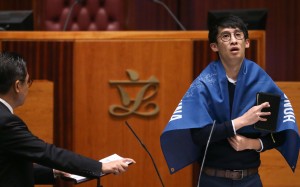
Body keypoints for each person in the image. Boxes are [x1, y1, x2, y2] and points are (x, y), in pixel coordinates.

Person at [160, 15, 299, 187]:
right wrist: (240, 122)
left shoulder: (261, 82)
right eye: (225, 36)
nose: (233, 40)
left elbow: (278, 134)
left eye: (238, 35)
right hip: (213, 179)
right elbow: (199, 135)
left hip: (250, 179)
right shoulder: (204, 84)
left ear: (246, 43)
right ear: (214, 46)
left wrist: (252, 143)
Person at [0, 51, 135, 187]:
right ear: (17, 86)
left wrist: (53, 171)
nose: (28, 87)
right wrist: (100, 167)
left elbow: (9, 169)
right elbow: (46, 152)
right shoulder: (6, 122)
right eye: (28, 81)